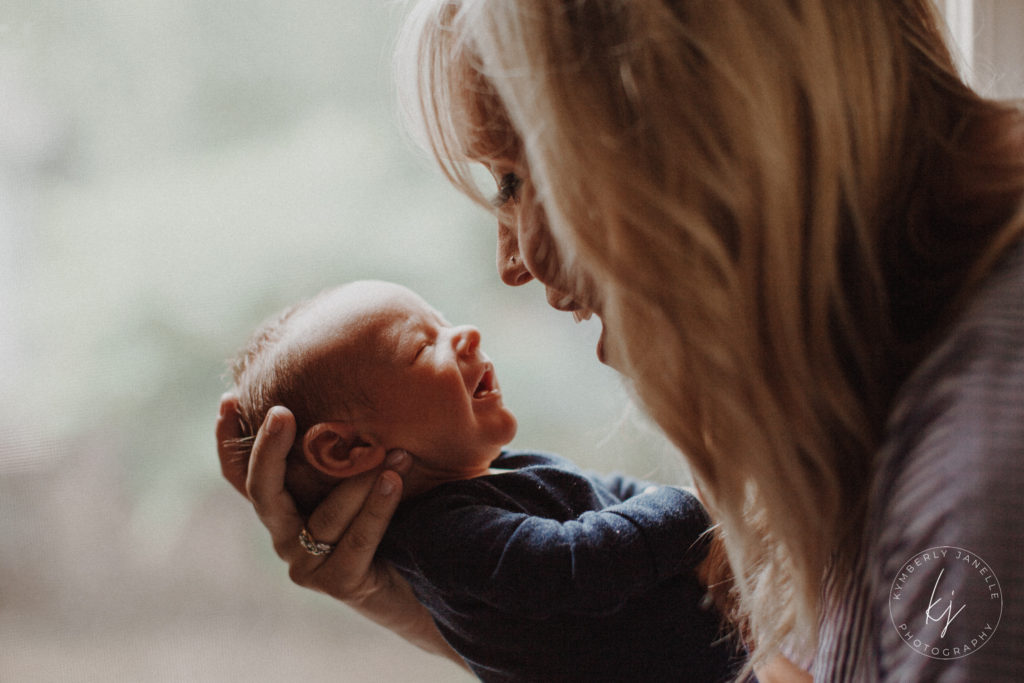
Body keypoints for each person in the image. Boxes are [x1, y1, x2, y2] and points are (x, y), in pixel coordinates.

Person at [218, 1, 1024, 680]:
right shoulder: (879, 419)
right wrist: (417, 604)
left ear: (694, 126)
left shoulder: (977, 489)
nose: (514, 262)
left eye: (517, 181)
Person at [225, 279, 741, 682]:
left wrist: (670, 501)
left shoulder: (501, 472)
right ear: (347, 448)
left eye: (444, 321)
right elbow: (574, 562)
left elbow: (604, 492)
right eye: (422, 347)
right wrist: (695, 507)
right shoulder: (444, 538)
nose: (465, 334)